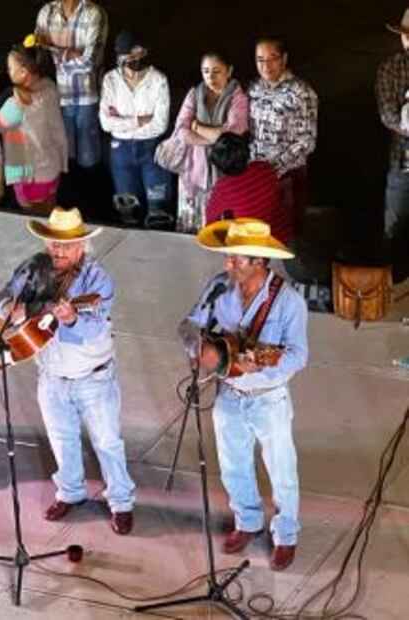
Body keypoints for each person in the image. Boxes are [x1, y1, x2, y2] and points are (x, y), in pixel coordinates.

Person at [0, 207, 135, 534]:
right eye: (54, 243)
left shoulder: (96, 280)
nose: (59, 250)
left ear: (82, 246)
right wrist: (10, 308)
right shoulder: (33, 269)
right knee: (61, 438)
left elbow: (93, 328)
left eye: (66, 245)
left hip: (93, 377)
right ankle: (70, 491)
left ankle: (121, 501)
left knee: (108, 442)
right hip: (52, 377)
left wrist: (70, 319)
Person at [179, 218, 307, 571]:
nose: (228, 265)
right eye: (228, 258)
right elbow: (189, 324)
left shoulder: (289, 302)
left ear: (260, 260)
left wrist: (263, 366)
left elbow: (298, 355)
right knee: (233, 465)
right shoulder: (220, 287)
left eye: (237, 259)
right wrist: (200, 348)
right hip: (229, 392)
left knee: (281, 470)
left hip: (269, 397)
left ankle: (285, 535)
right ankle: (247, 522)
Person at [99, 31, 172, 229]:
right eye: (131, 57)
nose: (137, 60)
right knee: (128, 210)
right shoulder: (110, 81)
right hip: (120, 153)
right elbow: (106, 123)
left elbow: (160, 124)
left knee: (158, 210)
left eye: (141, 54)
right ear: (120, 58)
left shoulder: (158, 80)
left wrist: (123, 123)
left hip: (152, 150)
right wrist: (139, 120)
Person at [0, 36, 68, 211]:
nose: (8, 72)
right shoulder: (50, 88)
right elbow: (58, 131)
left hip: (28, 176)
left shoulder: (14, 105)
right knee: (51, 210)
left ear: (24, 71)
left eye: (10, 68)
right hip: (52, 169)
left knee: (33, 219)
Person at [248, 37, 318, 239]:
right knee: (258, 233)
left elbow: (307, 140)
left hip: (288, 175)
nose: (266, 66)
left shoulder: (300, 92)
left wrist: (274, 168)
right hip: (256, 172)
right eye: (260, 59)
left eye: (272, 58)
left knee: (286, 236)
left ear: (284, 59)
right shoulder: (254, 88)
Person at [173, 52, 249, 233]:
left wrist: (197, 128)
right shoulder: (194, 94)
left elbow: (234, 132)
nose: (210, 77)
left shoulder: (238, 97)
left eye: (217, 71)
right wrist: (216, 136)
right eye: (205, 71)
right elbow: (180, 130)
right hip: (194, 168)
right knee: (193, 228)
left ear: (229, 71)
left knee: (222, 227)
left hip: (225, 169)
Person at [35, 0, 107, 173]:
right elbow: (38, 52)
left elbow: (90, 61)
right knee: (64, 158)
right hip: (57, 96)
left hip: (86, 96)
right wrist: (73, 54)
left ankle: (90, 196)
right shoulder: (47, 12)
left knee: (89, 159)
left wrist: (54, 50)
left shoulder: (93, 13)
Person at [376, 8, 409, 283]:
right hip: (403, 161)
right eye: (406, 36)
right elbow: (389, 115)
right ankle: (392, 286)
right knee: (395, 226)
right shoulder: (390, 68)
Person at [206, 133, 287, 241]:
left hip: (253, 242)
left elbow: (211, 219)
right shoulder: (266, 168)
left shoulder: (223, 187)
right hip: (280, 235)